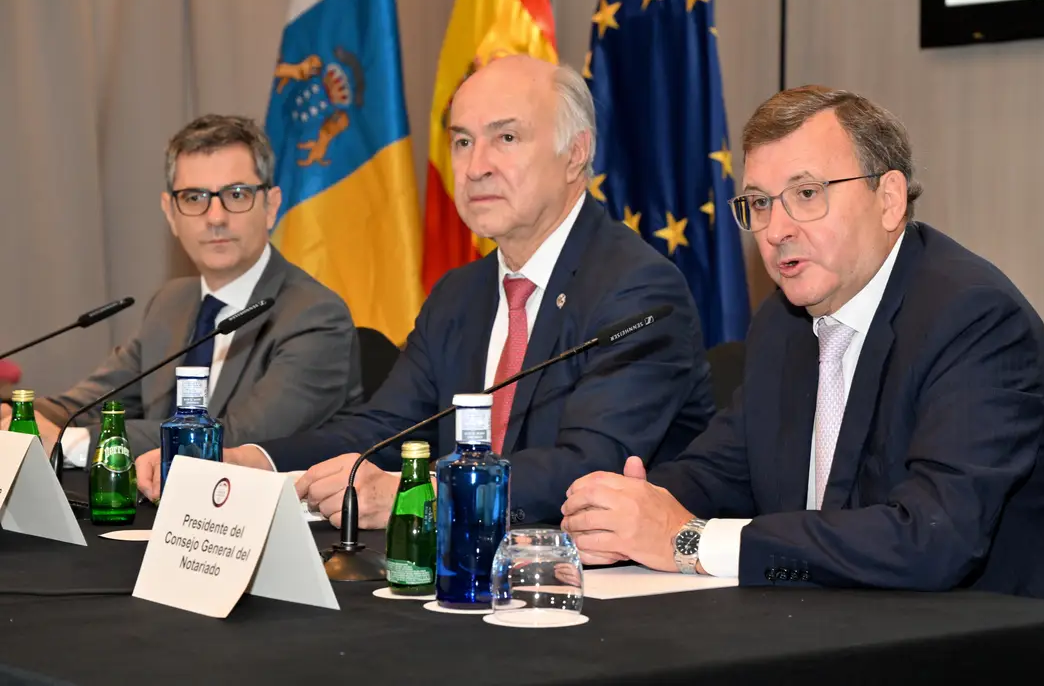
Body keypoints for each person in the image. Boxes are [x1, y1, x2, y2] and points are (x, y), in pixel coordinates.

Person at [560, 86, 1044, 645]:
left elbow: (931, 540)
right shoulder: (784, 324)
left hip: (1015, 650)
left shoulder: (972, 318)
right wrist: (625, 513)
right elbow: (721, 472)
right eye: (759, 203)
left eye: (806, 194)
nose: (777, 229)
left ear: (889, 199)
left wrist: (689, 542)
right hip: (842, 633)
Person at [136, 56, 716, 527]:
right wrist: (247, 461)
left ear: (576, 155)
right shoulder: (461, 294)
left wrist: (420, 493)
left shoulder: (636, 289)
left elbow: (589, 465)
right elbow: (380, 429)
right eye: (462, 142)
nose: (476, 166)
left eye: (505, 137)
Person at [3, 115, 362, 465]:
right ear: (171, 213)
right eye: (194, 198)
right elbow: (92, 402)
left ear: (270, 206)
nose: (216, 217)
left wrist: (74, 442)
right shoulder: (171, 302)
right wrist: (20, 417)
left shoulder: (315, 315)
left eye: (236, 194)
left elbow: (237, 439)